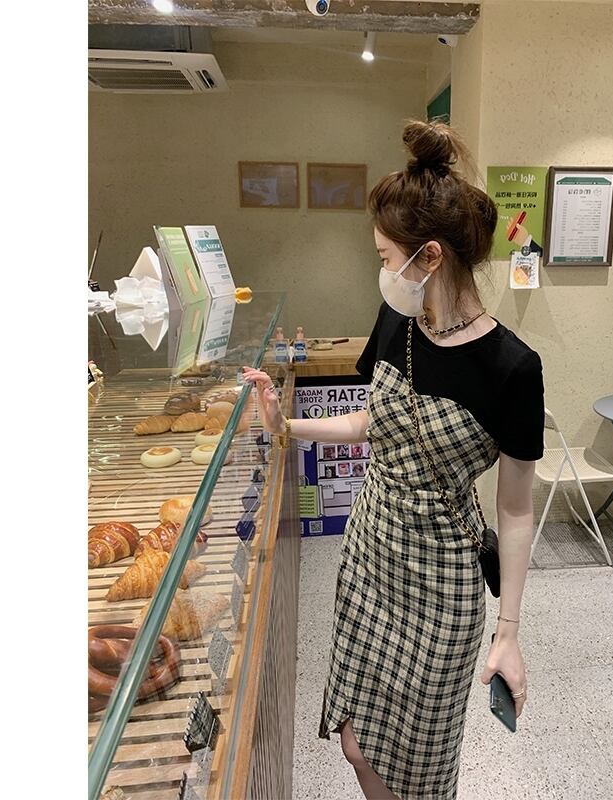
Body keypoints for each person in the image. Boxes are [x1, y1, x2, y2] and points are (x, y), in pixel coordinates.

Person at [243, 119, 545, 800]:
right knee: (355, 741)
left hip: (441, 580)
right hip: (370, 554)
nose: (382, 271)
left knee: (417, 767)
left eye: (386, 256)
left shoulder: (512, 368)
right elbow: (372, 421)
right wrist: (287, 426)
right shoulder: (397, 322)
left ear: (429, 257)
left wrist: (509, 633)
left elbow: (516, 511)